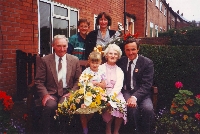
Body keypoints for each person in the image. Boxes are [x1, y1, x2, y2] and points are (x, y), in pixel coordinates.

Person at [34, 35, 81, 133]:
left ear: (67, 46)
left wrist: (73, 92)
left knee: (64, 105)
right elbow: (39, 81)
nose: (62, 49)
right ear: (53, 46)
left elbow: (78, 80)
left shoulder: (74, 60)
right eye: (59, 46)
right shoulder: (45, 60)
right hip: (51, 93)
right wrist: (45, 95)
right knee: (50, 106)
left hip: (67, 93)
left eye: (64, 46)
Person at [116, 37, 155, 134]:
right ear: (124, 50)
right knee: (132, 108)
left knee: (148, 109)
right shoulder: (121, 62)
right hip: (127, 91)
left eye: (133, 49)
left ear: (138, 49)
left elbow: (147, 84)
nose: (130, 52)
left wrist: (135, 97)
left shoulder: (147, 63)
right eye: (127, 50)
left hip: (143, 93)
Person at [100, 44, 127, 134]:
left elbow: (118, 86)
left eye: (115, 54)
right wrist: (105, 96)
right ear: (106, 55)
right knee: (108, 105)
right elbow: (98, 82)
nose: (113, 56)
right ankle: (108, 129)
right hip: (103, 93)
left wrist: (110, 98)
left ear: (118, 56)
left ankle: (116, 131)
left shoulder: (119, 70)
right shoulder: (101, 68)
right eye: (110, 53)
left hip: (116, 93)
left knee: (121, 104)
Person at [79, 51, 106, 134]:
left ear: (100, 62)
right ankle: (85, 129)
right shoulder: (86, 72)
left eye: (97, 63)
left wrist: (98, 84)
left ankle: (88, 124)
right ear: (89, 62)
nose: (94, 65)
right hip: (87, 93)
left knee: (93, 109)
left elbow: (104, 85)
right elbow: (81, 83)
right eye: (92, 62)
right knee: (82, 111)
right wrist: (89, 84)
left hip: (98, 94)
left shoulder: (101, 72)